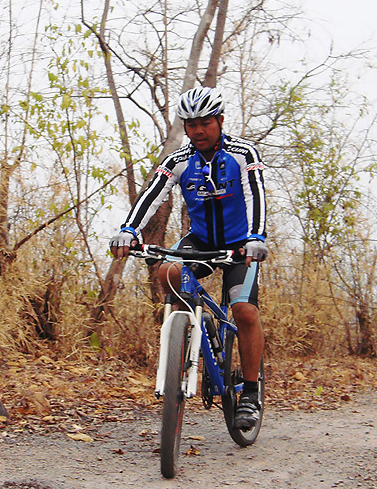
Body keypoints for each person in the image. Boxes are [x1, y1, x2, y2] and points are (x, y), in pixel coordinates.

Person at [110, 85, 268, 431]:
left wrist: (256, 237)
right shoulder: (178, 160)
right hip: (201, 241)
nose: (198, 130)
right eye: (191, 124)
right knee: (168, 272)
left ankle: (251, 391)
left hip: (240, 246)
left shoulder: (243, 153)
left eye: (205, 123)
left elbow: (255, 194)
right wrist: (129, 230)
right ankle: (188, 337)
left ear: (220, 120)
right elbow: (152, 194)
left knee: (244, 310)